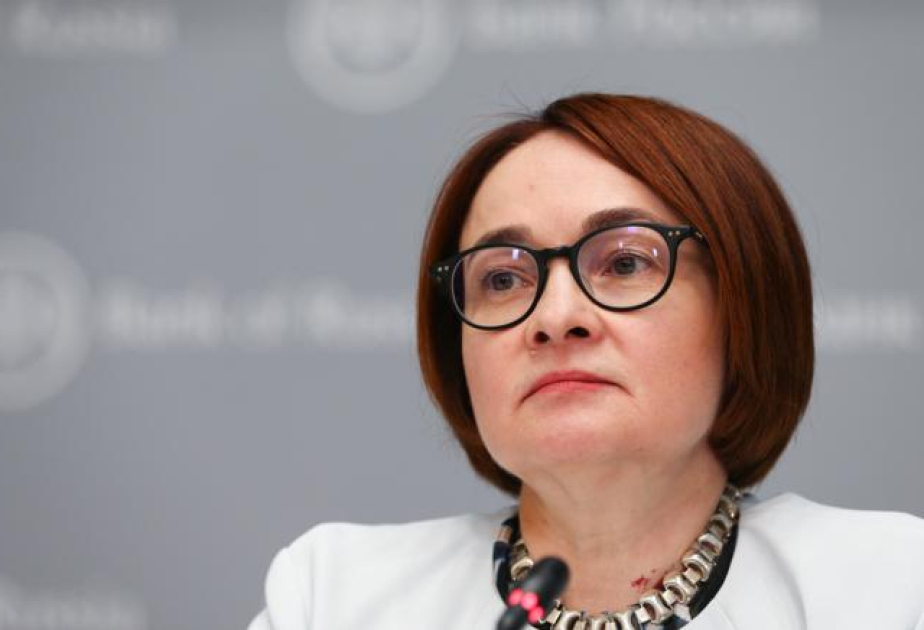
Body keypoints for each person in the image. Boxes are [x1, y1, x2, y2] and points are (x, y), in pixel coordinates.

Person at [247, 93, 924, 630]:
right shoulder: (335, 597)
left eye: (625, 263)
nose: (554, 317)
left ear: (743, 308)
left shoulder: (890, 587)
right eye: (503, 278)